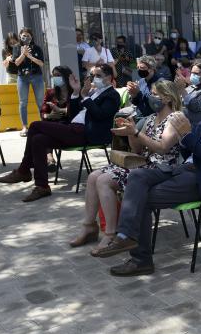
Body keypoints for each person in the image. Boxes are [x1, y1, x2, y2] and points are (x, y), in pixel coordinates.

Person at [92, 81, 201, 276]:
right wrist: (179, 137)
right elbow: (188, 147)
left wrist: (187, 134)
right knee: (137, 177)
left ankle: (138, 256)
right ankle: (126, 237)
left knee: (141, 198)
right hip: (184, 170)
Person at [71, 80, 186, 251]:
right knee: (93, 176)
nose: (150, 98)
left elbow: (162, 149)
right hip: (143, 164)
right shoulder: (151, 118)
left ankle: (112, 234)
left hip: (161, 169)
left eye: (155, 94)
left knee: (104, 180)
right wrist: (130, 133)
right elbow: (137, 149)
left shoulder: (176, 118)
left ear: (167, 98)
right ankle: (89, 226)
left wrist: (136, 132)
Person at [0, 65, 121, 202]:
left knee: (34, 125)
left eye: (98, 76)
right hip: (74, 128)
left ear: (109, 78)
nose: (93, 79)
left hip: (87, 134)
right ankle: (42, 186)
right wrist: (76, 92)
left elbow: (99, 115)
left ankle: (24, 171)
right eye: (92, 75)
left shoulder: (112, 95)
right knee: (38, 139)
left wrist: (85, 97)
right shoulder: (92, 92)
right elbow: (73, 115)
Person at [13, 27, 46, 137]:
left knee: (40, 102)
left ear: (31, 36)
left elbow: (41, 63)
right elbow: (16, 63)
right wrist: (23, 54)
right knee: (23, 102)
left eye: (27, 35)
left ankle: (44, 124)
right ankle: (24, 127)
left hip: (36, 76)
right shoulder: (17, 48)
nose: (25, 37)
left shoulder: (37, 48)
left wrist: (30, 56)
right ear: (20, 36)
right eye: (23, 35)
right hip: (22, 77)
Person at [176, 61, 201, 126]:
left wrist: (182, 90)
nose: (192, 75)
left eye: (196, 73)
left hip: (194, 127)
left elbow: (194, 106)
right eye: (192, 73)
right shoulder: (191, 87)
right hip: (180, 124)